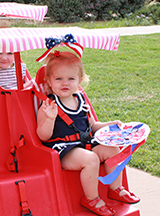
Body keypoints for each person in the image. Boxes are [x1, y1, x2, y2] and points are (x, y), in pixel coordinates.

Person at [36, 51, 140, 216]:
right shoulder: (49, 104)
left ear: (80, 80)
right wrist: (49, 118)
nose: (65, 83)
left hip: (85, 143)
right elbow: (43, 136)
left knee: (113, 150)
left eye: (71, 79)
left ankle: (115, 188)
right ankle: (91, 199)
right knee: (91, 159)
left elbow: (92, 125)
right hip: (63, 149)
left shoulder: (81, 100)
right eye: (58, 79)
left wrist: (109, 124)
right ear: (49, 80)